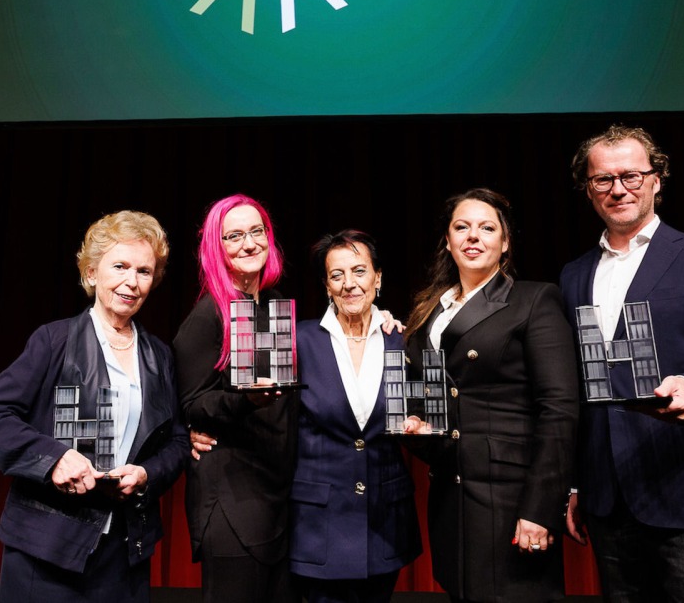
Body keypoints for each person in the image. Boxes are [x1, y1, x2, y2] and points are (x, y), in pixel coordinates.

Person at [560, 125, 684, 602]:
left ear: (656, 179)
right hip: (609, 502)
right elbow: (577, 389)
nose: (618, 189)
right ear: (588, 189)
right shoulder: (573, 275)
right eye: (603, 179)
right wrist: (576, 484)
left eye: (631, 175)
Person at [0, 210, 190, 603]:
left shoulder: (159, 356)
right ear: (91, 273)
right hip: (47, 550)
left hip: (125, 552)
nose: (131, 281)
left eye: (143, 271)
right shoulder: (54, 341)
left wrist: (146, 473)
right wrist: (55, 459)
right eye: (120, 266)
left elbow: (177, 442)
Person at [401, 187, 580, 603]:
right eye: (461, 227)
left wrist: (540, 509)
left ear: (505, 242)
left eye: (486, 228)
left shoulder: (533, 299)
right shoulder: (431, 311)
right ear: (448, 241)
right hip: (451, 496)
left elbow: (559, 410)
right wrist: (418, 425)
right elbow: (426, 392)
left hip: (511, 497)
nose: (473, 237)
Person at [172, 194, 300, 603]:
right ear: (216, 246)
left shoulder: (274, 306)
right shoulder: (208, 315)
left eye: (256, 231)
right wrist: (246, 400)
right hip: (231, 498)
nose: (249, 243)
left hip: (278, 495)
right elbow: (191, 404)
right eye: (234, 236)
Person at [290, 229, 423, 603]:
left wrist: (415, 420)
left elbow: (423, 404)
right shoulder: (300, 341)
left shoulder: (403, 339)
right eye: (337, 275)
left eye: (359, 271)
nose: (349, 283)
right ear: (327, 285)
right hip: (318, 525)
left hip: (385, 523)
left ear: (378, 278)